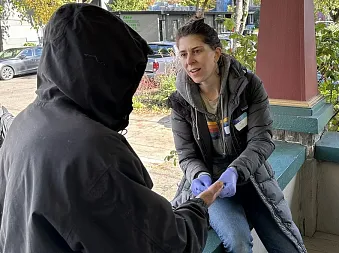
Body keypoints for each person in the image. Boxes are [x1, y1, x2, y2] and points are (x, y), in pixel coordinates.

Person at [0, 4, 224, 253]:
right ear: (106, 72)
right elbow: (163, 244)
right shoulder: (91, 151)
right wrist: (198, 207)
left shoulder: (22, 124)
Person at [169, 18, 308, 253]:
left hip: (252, 175)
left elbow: (262, 139)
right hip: (212, 184)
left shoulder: (249, 86)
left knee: (288, 246)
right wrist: (199, 174)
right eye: (183, 54)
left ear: (216, 53)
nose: (189, 61)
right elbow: (186, 154)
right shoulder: (180, 101)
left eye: (197, 51)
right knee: (237, 242)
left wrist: (235, 171)